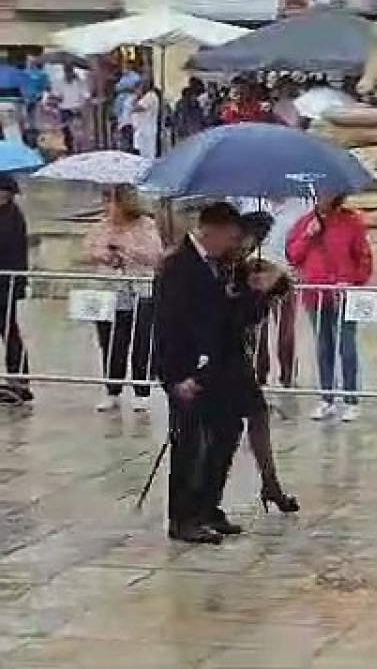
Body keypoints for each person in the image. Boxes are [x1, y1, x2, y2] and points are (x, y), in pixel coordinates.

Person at [154, 202, 255, 544]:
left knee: (225, 434)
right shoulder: (177, 267)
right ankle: (183, 517)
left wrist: (255, 292)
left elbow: (231, 320)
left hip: (220, 370)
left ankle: (209, 506)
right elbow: (168, 327)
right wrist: (174, 378)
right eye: (230, 237)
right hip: (187, 372)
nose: (233, 244)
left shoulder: (224, 267)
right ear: (211, 230)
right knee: (190, 444)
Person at [225, 211, 299, 514]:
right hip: (215, 355)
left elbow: (277, 290)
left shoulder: (246, 267)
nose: (249, 246)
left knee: (258, 415)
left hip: (237, 354)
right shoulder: (217, 266)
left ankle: (270, 483)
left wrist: (273, 282)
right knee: (225, 429)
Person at [286, 193, 374, 422]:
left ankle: (351, 399)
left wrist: (352, 280)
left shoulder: (351, 223)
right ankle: (326, 398)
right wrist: (307, 236)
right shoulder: (305, 223)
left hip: (344, 295)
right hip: (315, 294)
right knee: (323, 345)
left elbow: (364, 258)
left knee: (346, 345)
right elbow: (293, 255)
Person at [81, 184, 163, 412]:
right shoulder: (101, 226)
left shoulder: (146, 225)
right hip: (108, 292)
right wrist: (104, 254)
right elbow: (87, 250)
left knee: (141, 343)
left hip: (139, 291)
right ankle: (112, 389)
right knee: (109, 343)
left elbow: (155, 254)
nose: (107, 207)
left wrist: (127, 250)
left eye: (111, 201)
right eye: (105, 201)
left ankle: (141, 391)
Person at [238, 197, 306, 389]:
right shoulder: (250, 202)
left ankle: (288, 374)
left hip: (285, 273)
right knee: (258, 327)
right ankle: (259, 373)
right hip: (256, 271)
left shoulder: (300, 205)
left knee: (286, 328)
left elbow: (303, 239)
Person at [0, 174, 32, 404]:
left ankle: (19, 379)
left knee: (9, 330)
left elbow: (11, 247)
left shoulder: (13, 216)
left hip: (6, 284)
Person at [53, 65, 90, 153]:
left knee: (77, 130)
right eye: (66, 71)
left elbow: (86, 94)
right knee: (66, 131)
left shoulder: (79, 82)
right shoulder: (60, 82)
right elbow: (57, 95)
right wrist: (57, 99)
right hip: (64, 108)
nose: (68, 73)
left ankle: (79, 148)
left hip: (76, 108)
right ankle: (70, 149)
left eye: (69, 71)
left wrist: (83, 104)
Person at [130, 80, 160, 158]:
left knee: (147, 153)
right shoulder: (146, 97)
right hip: (143, 129)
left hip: (147, 130)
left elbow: (137, 108)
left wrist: (136, 97)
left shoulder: (150, 96)